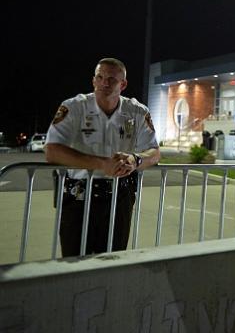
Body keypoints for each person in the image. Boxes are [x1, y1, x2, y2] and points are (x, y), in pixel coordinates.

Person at [45, 57, 160, 257]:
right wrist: (100, 164)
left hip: (119, 198)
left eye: (112, 79)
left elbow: (154, 152)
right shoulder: (74, 107)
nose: (105, 83)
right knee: (74, 261)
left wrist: (135, 160)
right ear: (93, 81)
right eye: (100, 77)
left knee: (112, 262)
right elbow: (52, 150)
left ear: (123, 84)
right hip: (78, 197)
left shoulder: (137, 111)